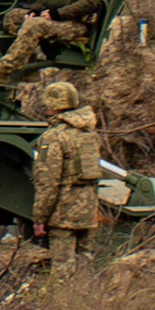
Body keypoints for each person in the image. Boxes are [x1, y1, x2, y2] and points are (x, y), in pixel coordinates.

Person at [32, 81, 102, 270]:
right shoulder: (89, 133)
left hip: (63, 214)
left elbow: (48, 183)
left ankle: (63, 300)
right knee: (85, 266)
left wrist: (40, 218)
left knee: (62, 269)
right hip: (88, 211)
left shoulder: (53, 137)